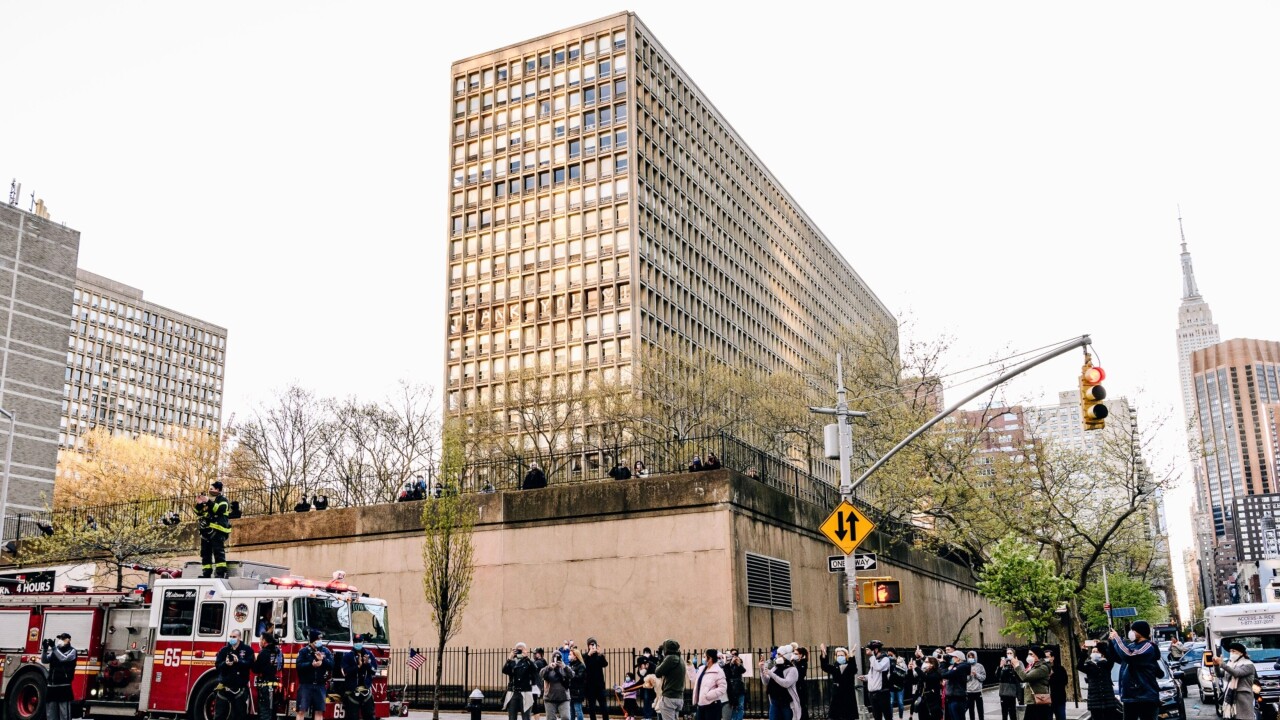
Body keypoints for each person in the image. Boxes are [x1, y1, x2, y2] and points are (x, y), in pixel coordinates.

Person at [1109, 621, 1162, 720]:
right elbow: (1120, 657)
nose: (1131, 632)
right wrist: (1112, 643)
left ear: (1141, 631)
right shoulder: (1132, 646)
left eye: (1133, 630)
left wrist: (1117, 639)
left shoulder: (1148, 646)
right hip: (1130, 696)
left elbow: (1129, 656)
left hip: (1145, 696)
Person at [215, 629, 255, 720]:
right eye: (231, 637)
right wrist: (225, 663)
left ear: (239, 637)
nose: (232, 639)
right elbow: (217, 665)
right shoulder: (224, 650)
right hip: (224, 687)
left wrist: (238, 661)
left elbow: (250, 664)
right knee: (220, 714)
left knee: (239, 715)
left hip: (239, 688)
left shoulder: (247, 650)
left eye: (234, 637)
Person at [195, 481, 232, 578]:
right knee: (205, 553)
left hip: (218, 530)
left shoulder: (223, 500)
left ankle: (221, 572)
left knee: (218, 551)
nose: (210, 490)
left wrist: (208, 501)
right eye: (210, 488)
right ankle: (206, 573)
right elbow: (198, 512)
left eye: (212, 488)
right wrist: (199, 504)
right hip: (206, 531)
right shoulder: (208, 501)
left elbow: (218, 510)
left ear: (218, 490)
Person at [1079, 641, 1120, 720]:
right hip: (1094, 697)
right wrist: (1084, 651)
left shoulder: (1106, 664)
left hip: (1107, 696)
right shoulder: (1088, 666)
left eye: (1097, 651)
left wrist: (1101, 647)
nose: (1095, 653)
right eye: (1093, 651)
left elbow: (1111, 659)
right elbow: (1079, 666)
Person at [341, 634, 379, 720]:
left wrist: (367, 664)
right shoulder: (347, 656)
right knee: (352, 717)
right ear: (353, 642)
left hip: (366, 692)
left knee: (369, 716)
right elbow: (345, 672)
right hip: (352, 692)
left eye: (359, 641)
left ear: (363, 642)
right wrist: (358, 666)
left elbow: (374, 671)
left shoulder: (369, 654)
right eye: (356, 642)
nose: (358, 643)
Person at [295, 631, 332, 720]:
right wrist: (311, 665)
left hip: (320, 685)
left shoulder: (325, 651)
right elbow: (299, 666)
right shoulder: (303, 651)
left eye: (321, 639)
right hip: (305, 685)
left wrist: (323, 660)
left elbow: (331, 665)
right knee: (301, 711)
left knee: (319, 712)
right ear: (312, 641)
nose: (320, 641)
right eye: (318, 639)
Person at [819, 644, 859, 720]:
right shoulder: (834, 667)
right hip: (837, 695)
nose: (840, 657)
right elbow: (825, 666)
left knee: (848, 716)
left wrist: (852, 656)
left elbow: (854, 669)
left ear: (846, 656)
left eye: (842, 655)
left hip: (848, 696)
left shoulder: (849, 666)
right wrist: (823, 654)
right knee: (835, 716)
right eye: (838, 655)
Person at [42, 633, 77, 720]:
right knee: (50, 713)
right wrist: (45, 649)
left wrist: (54, 648)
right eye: (60, 638)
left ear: (69, 640)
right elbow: (44, 660)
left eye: (63, 638)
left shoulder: (72, 651)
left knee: (64, 713)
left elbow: (63, 658)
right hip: (52, 685)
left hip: (63, 686)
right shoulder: (56, 650)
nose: (60, 640)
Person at [1220, 641, 1258, 720]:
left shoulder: (1248, 664)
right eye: (1230, 651)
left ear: (1241, 653)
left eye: (1234, 651)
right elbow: (1221, 674)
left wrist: (1222, 664)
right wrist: (1216, 665)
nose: (1231, 653)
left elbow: (1236, 673)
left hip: (1243, 696)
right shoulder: (1231, 664)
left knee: (1244, 717)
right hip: (1232, 695)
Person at [253, 628, 285, 720]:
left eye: (260, 639)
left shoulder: (263, 653)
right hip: (275, 687)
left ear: (264, 641)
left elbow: (256, 669)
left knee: (264, 712)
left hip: (265, 686)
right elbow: (280, 666)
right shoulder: (279, 652)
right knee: (273, 712)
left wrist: (253, 661)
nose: (259, 642)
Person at [762, 647, 802, 720]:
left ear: (786, 655)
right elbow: (766, 682)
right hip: (774, 701)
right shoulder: (776, 667)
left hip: (786, 702)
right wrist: (762, 669)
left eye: (780, 654)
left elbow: (786, 683)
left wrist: (772, 674)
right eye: (777, 654)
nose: (777, 656)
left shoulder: (792, 669)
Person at [1011, 647, 1051, 720]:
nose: (1029, 656)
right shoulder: (1033, 666)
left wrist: (1017, 666)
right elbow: (1022, 678)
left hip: (1039, 702)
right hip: (1033, 701)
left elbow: (1025, 677)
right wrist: (1015, 667)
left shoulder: (1042, 667)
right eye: (1028, 654)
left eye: (1031, 654)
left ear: (1037, 655)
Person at [653, 639, 687, 720]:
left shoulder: (670, 658)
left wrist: (660, 659)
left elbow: (657, 673)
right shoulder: (680, 659)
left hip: (669, 697)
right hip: (678, 696)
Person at [505, 642, 540, 720]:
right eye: (518, 650)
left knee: (526, 717)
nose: (519, 652)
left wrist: (527, 658)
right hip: (513, 692)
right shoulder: (512, 662)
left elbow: (535, 670)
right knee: (512, 717)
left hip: (526, 692)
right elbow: (504, 670)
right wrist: (509, 659)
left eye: (522, 649)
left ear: (525, 650)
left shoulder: (528, 662)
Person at [693, 649, 728, 720]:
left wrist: (709, 695)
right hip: (701, 704)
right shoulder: (702, 669)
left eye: (704, 657)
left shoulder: (718, 671)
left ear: (710, 658)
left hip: (712, 704)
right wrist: (690, 667)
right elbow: (694, 679)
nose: (703, 659)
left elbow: (723, 687)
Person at [862, 641, 893, 720]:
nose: (866, 651)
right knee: (877, 716)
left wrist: (872, 656)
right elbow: (873, 675)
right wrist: (865, 677)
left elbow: (879, 668)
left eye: (868, 649)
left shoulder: (885, 659)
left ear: (875, 650)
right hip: (872, 694)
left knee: (887, 715)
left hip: (882, 693)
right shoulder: (874, 660)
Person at [541, 652, 575, 720]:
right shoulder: (549, 668)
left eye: (559, 657)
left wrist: (564, 666)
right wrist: (549, 667)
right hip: (549, 698)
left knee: (566, 717)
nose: (557, 660)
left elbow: (572, 675)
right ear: (552, 659)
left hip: (564, 698)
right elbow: (541, 674)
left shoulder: (564, 668)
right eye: (555, 657)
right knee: (551, 718)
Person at [583, 638, 610, 720]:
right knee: (592, 707)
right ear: (588, 646)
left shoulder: (599, 656)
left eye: (594, 644)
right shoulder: (585, 656)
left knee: (604, 706)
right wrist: (589, 654)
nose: (592, 646)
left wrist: (600, 654)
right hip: (590, 686)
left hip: (600, 686)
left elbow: (605, 664)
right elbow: (583, 665)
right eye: (590, 645)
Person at [940, 652, 970, 720]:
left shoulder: (961, 667)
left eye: (953, 657)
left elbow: (945, 675)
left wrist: (943, 663)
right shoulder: (956, 666)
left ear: (958, 658)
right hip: (952, 697)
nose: (952, 659)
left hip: (957, 697)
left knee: (957, 717)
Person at [996, 650, 1022, 720]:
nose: (1009, 655)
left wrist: (1015, 666)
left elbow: (1021, 677)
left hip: (1013, 692)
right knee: (1004, 714)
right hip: (1003, 692)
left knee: (1013, 713)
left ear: (1014, 655)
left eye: (1011, 653)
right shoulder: (1003, 664)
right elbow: (997, 676)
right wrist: (1001, 666)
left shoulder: (1017, 663)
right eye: (1007, 653)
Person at [724, 650, 749, 720]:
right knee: (733, 706)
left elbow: (743, 670)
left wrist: (738, 664)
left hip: (739, 687)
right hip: (731, 688)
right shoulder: (727, 664)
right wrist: (731, 663)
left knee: (740, 706)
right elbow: (728, 674)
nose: (734, 656)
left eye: (736, 654)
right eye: (733, 654)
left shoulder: (739, 661)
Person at [635, 648, 658, 720]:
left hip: (652, 687)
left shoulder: (653, 665)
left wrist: (650, 658)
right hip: (645, 686)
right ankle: (646, 716)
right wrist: (626, 689)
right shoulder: (643, 665)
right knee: (646, 700)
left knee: (650, 700)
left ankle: (649, 716)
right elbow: (640, 676)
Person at [1045, 649, 1067, 720]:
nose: (1046, 659)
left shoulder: (1060, 669)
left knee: (1061, 717)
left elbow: (1064, 682)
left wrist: (1052, 675)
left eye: (1047, 657)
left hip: (1059, 699)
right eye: (1044, 657)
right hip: (1046, 700)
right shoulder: (1042, 669)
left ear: (1052, 657)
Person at [963, 652, 984, 720]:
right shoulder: (965, 666)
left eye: (972, 657)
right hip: (969, 691)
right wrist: (969, 675)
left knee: (980, 708)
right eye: (969, 657)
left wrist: (976, 674)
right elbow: (963, 679)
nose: (971, 658)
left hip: (978, 690)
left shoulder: (980, 666)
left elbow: (983, 677)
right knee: (971, 709)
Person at [568, 646, 588, 720]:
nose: (569, 656)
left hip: (578, 691)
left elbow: (580, 677)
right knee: (571, 710)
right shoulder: (571, 665)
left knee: (578, 709)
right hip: (571, 690)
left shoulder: (581, 666)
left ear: (575, 656)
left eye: (570, 654)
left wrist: (571, 674)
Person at [794, 646, 811, 720]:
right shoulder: (796, 662)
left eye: (796, 653)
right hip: (795, 686)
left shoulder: (803, 662)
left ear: (800, 655)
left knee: (802, 705)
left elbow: (800, 674)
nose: (794, 655)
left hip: (801, 686)